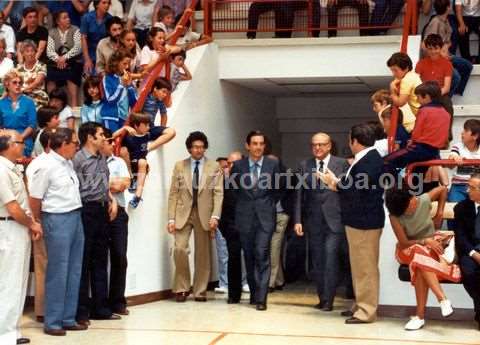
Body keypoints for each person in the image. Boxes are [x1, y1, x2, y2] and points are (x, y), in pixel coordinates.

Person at [321, 123, 385, 324]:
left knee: (365, 268)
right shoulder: (368, 159)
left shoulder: (369, 161)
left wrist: (335, 184)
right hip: (360, 221)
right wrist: (338, 184)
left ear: (355, 141)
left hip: (364, 222)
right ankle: (361, 305)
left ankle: (366, 311)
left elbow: (358, 191)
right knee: (359, 267)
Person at [29, 128, 87, 336]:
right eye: (74, 143)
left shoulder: (68, 163)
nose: (77, 147)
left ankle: (68, 317)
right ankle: (53, 321)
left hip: (74, 216)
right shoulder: (45, 166)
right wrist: (37, 222)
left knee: (74, 269)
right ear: (63, 144)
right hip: (56, 218)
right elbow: (35, 198)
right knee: (58, 270)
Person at [386, 186, 459, 330]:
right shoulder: (394, 217)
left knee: (420, 265)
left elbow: (443, 189)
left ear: (411, 198)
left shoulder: (423, 200)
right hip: (407, 250)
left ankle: (419, 317)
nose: (411, 209)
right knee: (419, 252)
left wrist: (439, 213)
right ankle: (442, 299)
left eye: (410, 204)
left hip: (428, 250)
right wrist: (425, 241)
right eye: (406, 210)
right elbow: (404, 242)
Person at [294, 132, 352, 311]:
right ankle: (323, 298)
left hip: (335, 220)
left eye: (321, 144)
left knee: (330, 258)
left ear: (329, 146)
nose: (317, 148)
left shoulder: (341, 164)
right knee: (318, 261)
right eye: (314, 145)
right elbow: (299, 195)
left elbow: (347, 190)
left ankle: (329, 300)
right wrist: (298, 220)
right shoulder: (305, 165)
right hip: (314, 221)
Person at [167, 131, 224, 302]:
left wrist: (215, 215)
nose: (198, 150)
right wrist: (171, 218)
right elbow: (173, 194)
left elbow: (218, 193)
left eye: (201, 147)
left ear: (205, 148)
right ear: (189, 149)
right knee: (179, 249)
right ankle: (182, 288)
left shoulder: (214, 166)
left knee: (203, 254)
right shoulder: (179, 166)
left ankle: (200, 290)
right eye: (195, 147)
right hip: (183, 213)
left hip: (205, 214)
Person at [230, 130, 284, 311]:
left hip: (265, 217)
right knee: (250, 256)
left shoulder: (273, 164)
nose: (258, 147)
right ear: (247, 146)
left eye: (261, 143)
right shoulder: (238, 166)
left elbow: (280, 189)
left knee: (262, 254)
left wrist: (266, 204)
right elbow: (234, 191)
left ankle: (262, 298)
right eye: (255, 143)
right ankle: (254, 294)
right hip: (244, 218)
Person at [73, 122, 120, 325]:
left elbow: (102, 184)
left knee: (101, 260)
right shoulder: (77, 159)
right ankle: (81, 312)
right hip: (85, 211)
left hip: (102, 210)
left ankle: (101, 308)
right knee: (83, 261)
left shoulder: (102, 158)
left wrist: (110, 199)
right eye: (101, 135)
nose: (105, 138)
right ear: (90, 137)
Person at [0, 129, 42, 345]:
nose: (23, 145)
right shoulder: (1, 169)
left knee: (18, 282)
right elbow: (13, 208)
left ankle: (12, 330)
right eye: (20, 141)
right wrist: (32, 223)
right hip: (8, 228)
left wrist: (30, 223)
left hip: (18, 228)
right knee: (9, 282)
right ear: (8, 145)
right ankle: (4, 335)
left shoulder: (13, 168)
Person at [384, 81, 451, 176]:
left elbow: (417, 131)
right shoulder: (446, 113)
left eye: (418, 97)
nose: (417, 100)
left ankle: (396, 185)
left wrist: (411, 141)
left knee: (387, 161)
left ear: (426, 96)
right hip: (435, 152)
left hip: (419, 148)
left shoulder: (424, 110)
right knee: (418, 176)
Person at [113, 112, 175, 208]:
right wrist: (124, 128)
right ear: (136, 126)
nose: (148, 126)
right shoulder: (128, 135)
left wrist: (149, 148)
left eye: (148, 124)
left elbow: (171, 132)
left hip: (141, 166)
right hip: (129, 166)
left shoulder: (148, 134)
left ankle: (138, 196)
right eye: (145, 125)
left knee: (142, 162)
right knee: (123, 150)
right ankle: (131, 178)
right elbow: (113, 137)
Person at [101, 128, 131, 315]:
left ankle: (118, 301)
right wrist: (110, 183)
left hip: (118, 213)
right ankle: (100, 303)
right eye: (109, 140)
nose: (113, 144)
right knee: (98, 259)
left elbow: (123, 184)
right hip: (98, 212)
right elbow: (106, 184)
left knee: (119, 256)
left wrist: (105, 183)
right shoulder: (90, 162)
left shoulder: (119, 161)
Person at [26, 129, 52, 324]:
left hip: (61, 217)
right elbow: (35, 196)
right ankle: (43, 309)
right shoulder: (39, 164)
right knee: (43, 263)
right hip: (43, 216)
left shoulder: (63, 163)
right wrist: (36, 221)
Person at [423, 0, 473, 96]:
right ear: (448, 8)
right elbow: (427, 44)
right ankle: (445, 97)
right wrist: (441, 54)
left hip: (447, 55)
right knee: (456, 77)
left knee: (467, 66)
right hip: (437, 58)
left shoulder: (446, 22)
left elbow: (447, 41)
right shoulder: (435, 22)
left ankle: (455, 92)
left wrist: (447, 47)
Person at [453, 174, 480, 330]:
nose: (467, 190)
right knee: (469, 272)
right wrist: (474, 254)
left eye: (471, 187)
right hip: (470, 251)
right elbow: (460, 237)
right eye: (467, 186)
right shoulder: (461, 208)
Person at [219, 151, 246, 303]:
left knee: (251, 258)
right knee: (233, 258)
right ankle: (233, 295)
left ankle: (256, 294)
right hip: (230, 226)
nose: (230, 166)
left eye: (233, 163)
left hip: (248, 226)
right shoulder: (221, 181)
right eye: (228, 163)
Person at [46, 10, 82, 108]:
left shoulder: (75, 30)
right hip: (56, 62)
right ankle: (52, 106)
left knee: (72, 76)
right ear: (57, 21)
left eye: (68, 17)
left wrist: (64, 58)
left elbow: (78, 48)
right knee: (50, 77)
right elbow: (49, 51)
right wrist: (58, 59)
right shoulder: (52, 32)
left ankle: (74, 108)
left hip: (73, 61)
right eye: (65, 18)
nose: (68, 19)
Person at [416, 34, 454, 119]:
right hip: (424, 95)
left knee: (447, 104)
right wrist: (426, 96)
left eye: (436, 48)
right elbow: (416, 83)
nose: (433, 52)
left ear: (440, 48)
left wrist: (433, 96)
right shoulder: (420, 63)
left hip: (440, 95)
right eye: (430, 49)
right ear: (426, 49)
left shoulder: (447, 64)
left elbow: (446, 88)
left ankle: (447, 131)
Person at [0, 70, 37, 157]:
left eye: (20, 83)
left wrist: (18, 138)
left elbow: (32, 125)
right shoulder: (1, 103)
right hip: (6, 139)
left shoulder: (29, 102)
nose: (18, 85)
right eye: (14, 82)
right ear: (7, 84)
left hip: (24, 140)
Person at [101, 50, 137, 131]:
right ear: (116, 63)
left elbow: (134, 103)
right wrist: (122, 85)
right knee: (112, 143)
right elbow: (110, 100)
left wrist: (129, 87)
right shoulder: (107, 78)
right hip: (111, 118)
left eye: (128, 64)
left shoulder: (127, 78)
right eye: (124, 64)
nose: (127, 67)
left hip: (124, 120)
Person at [387, 52, 422, 133]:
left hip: (422, 114)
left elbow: (400, 102)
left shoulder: (406, 80)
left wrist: (392, 90)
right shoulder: (413, 75)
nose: (393, 74)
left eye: (395, 70)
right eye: (392, 70)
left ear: (405, 68)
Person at [448, 119, 480, 203]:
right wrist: (454, 157)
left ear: (475, 136)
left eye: (465, 131)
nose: (462, 133)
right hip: (458, 186)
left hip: (476, 186)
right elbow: (451, 158)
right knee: (454, 207)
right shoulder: (458, 146)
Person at [80, 0, 112, 75]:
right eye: (104, 3)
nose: (107, 5)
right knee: (87, 75)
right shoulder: (87, 17)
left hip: (104, 52)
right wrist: (87, 59)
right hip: (90, 51)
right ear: (97, 5)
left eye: (108, 3)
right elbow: (83, 38)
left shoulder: (110, 19)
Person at [17, 39, 49, 109]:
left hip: (38, 97)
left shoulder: (41, 65)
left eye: (32, 51)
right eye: (27, 51)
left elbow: (36, 83)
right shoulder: (19, 67)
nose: (30, 54)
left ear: (35, 52)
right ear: (22, 53)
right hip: (21, 96)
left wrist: (21, 90)